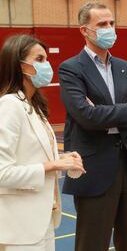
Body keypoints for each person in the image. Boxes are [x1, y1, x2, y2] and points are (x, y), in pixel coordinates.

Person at [58, 2, 127, 251]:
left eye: (111, 23)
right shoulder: (71, 69)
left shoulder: (126, 68)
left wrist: (106, 116)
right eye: (102, 24)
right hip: (93, 168)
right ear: (84, 30)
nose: (109, 29)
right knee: (92, 243)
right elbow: (87, 117)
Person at [0, 34, 85, 251]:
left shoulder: (33, 106)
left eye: (46, 59)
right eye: (39, 59)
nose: (46, 65)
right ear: (20, 66)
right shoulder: (9, 106)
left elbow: (31, 157)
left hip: (43, 220)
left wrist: (63, 159)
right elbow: (2, 173)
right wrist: (54, 165)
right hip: (19, 227)